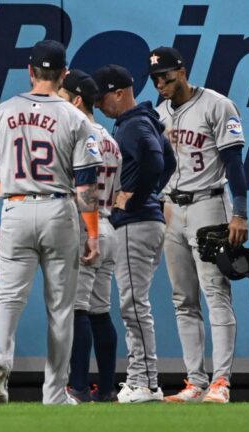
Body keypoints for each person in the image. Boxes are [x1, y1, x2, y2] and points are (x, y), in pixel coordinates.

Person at [0, 40, 102, 405]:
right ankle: (54, 394)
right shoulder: (75, 117)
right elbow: (86, 184)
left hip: (14, 209)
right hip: (57, 209)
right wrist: (92, 231)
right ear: (63, 74)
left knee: (8, 300)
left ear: (29, 71)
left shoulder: (3, 111)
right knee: (61, 309)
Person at [148, 46, 249, 404]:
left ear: (183, 70)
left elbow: (234, 162)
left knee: (216, 292)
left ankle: (220, 381)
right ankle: (195, 382)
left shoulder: (217, 105)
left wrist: (239, 212)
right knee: (183, 299)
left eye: (167, 76)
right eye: (156, 78)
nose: (161, 83)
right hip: (171, 209)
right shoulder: (158, 114)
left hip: (209, 203)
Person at [92, 64, 176, 403]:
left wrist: (135, 197)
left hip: (137, 223)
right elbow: (167, 161)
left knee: (133, 305)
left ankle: (145, 381)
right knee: (134, 304)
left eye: (102, 99)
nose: (98, 105)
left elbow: (157, 161)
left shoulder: (133, 123)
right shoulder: (142, 120)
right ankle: (145, 379)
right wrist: (149, 192)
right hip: (146, 221)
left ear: (118, 92)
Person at [57, 69, 121, 403]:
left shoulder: (78, 135)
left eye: (63, 95)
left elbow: (82, 187)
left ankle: (78, 387)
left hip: (86, 227)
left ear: (77, 99)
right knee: (99, 311)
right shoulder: (110, 139)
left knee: (78, 310)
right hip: (109, 225)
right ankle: (107, 388)